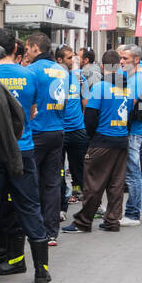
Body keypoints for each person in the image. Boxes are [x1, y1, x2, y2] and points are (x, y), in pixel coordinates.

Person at [0, 29, 50, 283]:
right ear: (15, 50)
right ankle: (41, 270)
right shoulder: (30, 75)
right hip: (23, 149)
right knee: (30, 206)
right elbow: (33, 111)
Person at [62, 48, 132, 234]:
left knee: (93, 183)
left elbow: (91, 117)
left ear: (102, 66)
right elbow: (130, 115)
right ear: (119, 65)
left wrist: (90, 138)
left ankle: (83, 222)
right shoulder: (126, 88)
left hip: (102, 140)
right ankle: (112, 221)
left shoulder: (100, 87)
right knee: (116, 184)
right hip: (121, 140)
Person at [23, 33, 69, 242]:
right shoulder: (62, 71)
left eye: (27, 48)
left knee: (29, 182)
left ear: (34, 48)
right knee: (52, 183)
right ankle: (51, 231)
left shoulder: (31, 71)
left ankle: (33, 229)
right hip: (57, 129)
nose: (26, 52)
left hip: (36, 131)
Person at [120, 45, 142, 226]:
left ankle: (133, 213)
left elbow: (127, 103)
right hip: (127, 131)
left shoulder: (138, 79)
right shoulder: (127, 77)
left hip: (133, 132)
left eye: (125, 58)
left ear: (136, 60)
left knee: (133, 173)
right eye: (121, 58)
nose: (121, 61)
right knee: (128, 172)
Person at [58, 45, 87, 210]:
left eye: (74, 57)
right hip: (59, 131)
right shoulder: (54, 78)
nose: (73, 60)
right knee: (59, 172)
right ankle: (62, 206)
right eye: (70, 57)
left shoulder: (79, 76)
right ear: (60, 60)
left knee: (80, 170)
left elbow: (86, 103)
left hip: (77, 130)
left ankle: (83, 200)